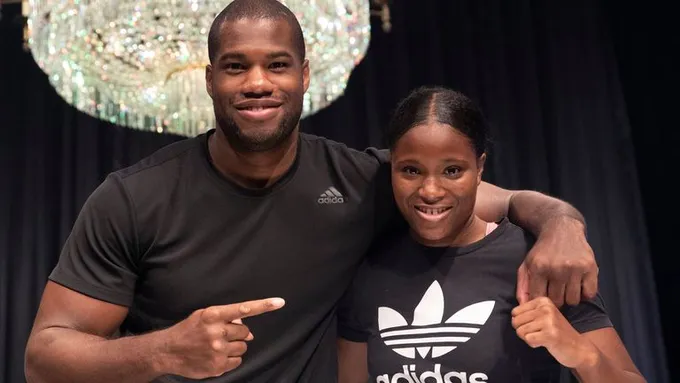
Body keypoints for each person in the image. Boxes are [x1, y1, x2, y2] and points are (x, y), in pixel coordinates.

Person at [25, 1, 598, 382]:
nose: (257, 83)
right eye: (235, 66)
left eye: (276, 64)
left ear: (304, 73)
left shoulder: (363, 180)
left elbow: (497, 198)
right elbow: (45, 355)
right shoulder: (132, 198)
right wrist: (162, 350)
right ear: (208, 80)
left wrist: (562, 224)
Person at [336, 86, 645, 383]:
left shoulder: (534, 262)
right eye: (411, 170)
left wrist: (580, 354)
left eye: (453, 170)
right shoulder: (370, 272)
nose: (430, 190)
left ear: (480, 167)